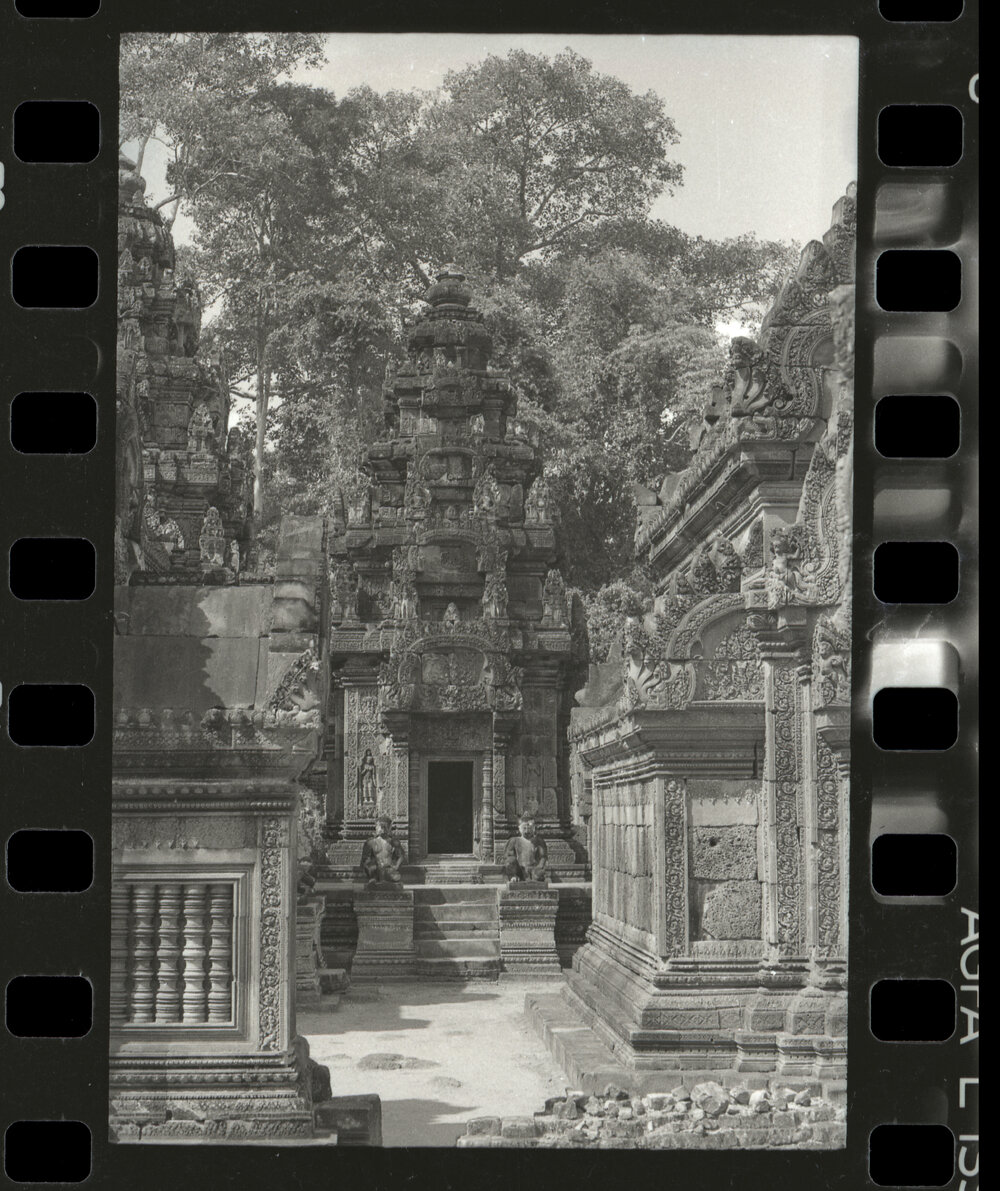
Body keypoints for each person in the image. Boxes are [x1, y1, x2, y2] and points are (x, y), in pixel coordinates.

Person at [361, 815, 406, 886]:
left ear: (389, 828)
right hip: (375, 870)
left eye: (385, 827)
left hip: (389, 869)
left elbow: (401, 856)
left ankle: (384, 879)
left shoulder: (394, 842)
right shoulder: (371, 842)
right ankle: (375, 878)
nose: (383, 830)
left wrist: (396, 866)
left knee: (395, 877)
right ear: (376, 827)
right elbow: (365, 859)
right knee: (373, 870)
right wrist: (371, 868)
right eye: (380, 827)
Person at [503, 812, 548, 883]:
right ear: (519, 829)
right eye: (524, 828)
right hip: (519, 869)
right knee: (510, 861)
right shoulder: (514, 840)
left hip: (533, 868)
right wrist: (513, 872)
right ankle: (513, 876)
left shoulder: (539, 841)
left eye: (529, 828)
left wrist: (539, 867)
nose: (527, 831)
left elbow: (543, 857)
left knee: (539, 875)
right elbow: (508, 857)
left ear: (534, 828)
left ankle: (534, 877)